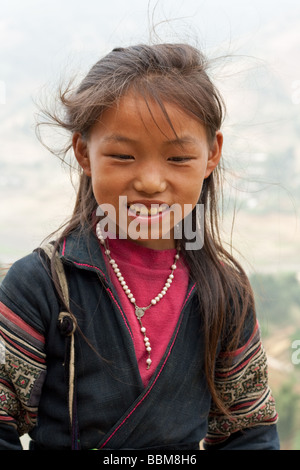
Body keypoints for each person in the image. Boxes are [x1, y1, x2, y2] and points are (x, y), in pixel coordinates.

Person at [0, 43, 279, 450]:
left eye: (178, 158)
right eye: (123, 155)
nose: (150, 181)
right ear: (84, 153)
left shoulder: (225, 294)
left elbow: (249, 433)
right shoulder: (41, 285)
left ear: (211, 154)